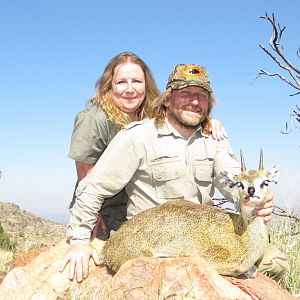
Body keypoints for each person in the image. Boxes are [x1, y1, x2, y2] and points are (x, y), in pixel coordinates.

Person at [61, 63, 287, 283]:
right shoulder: (138, 137)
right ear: (167, 100)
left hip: (207, 236)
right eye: (186, 93)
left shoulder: (214, 139)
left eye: (202, 95)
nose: (195, 101)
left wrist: (252, 198)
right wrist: (79, 240)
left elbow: (233, 180)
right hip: (156, 236)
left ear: (209, 104)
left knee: (274, 262)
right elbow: (93, 187)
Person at [68, 52, 227, 240]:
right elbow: (86, 174)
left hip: (134, 207)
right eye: (121, 82)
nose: (129, 89)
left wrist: (207, 121)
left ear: (146, 84)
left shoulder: (150, 115)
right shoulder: (93, 119)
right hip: (106, 208)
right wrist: (94, 215)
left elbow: (180, 117)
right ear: (109, 85)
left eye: (136, 81)